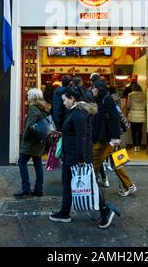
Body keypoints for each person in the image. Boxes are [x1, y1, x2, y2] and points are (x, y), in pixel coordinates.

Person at [49, 87, 119, 228]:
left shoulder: (79, 114)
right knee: (67, 184)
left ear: (72, 99)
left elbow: (81, 137)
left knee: (89, 184)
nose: (63, 103)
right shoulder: (74, 112)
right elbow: (74, 133)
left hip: (77, 157)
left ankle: (105, 210)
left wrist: (80, 158)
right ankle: (64, 212)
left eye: (64, 100)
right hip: (71, 155)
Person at [92, 80, 137, 197]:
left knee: (94, 162)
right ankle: (129, 185)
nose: (92, 90)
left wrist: (116, 137)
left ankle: (88, 188)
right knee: (116, 162)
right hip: (104, 138)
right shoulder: (99, 100)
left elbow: (115, 118)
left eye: (94, 88)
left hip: (107, 139)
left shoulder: (107, 100)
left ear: (100, 89)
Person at [14, 88, 52, 198]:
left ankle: (25, 188)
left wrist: (24, 138)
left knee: (21, 162)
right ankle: (38, 189)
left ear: (32, 97)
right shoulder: (43, 107)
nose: (27, 97)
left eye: (28, 95)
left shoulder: (33, 108)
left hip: (31, 141)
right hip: (40, 140)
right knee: (38, 164)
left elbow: (29, 126)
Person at [126, 84, 146, 152]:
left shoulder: (130, 95)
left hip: (133, 115)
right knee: (139, 130)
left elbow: (128, 105)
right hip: (141, 114)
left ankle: (134, 146)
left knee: (133, 131)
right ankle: (139, 146)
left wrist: (127, 110)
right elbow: (146, 106)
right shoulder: (144, 95)